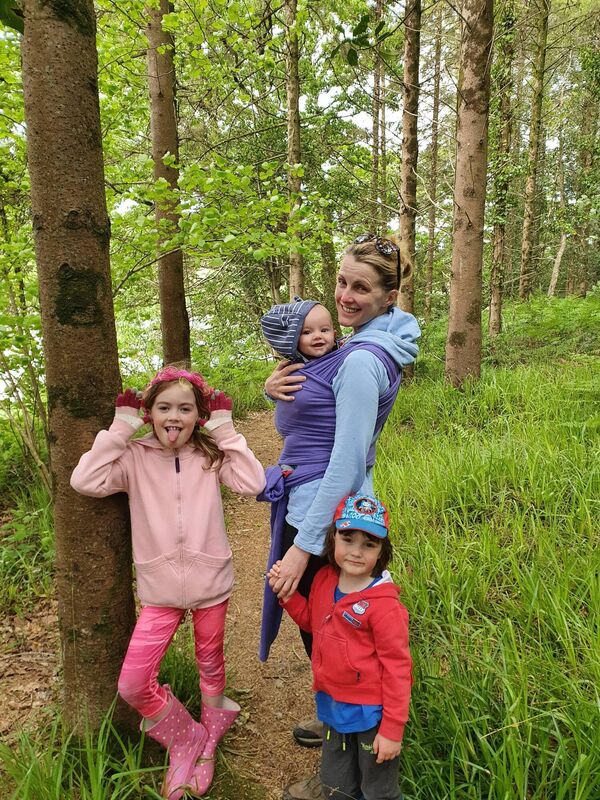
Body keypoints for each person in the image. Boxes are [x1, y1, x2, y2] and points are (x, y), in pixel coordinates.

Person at [258, 234, 420, 800]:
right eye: (343, 281)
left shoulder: (358, 363)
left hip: (332, 513)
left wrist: (304, 544)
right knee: (329, 626)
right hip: (339, 508)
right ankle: (337, 721)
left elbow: (345, 461)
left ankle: (351, 770)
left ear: (388, 295)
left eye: (362, 287)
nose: (346, 296)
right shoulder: (367, 346)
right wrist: (274, 387)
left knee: (337, 629)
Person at [70, 366, 265, 800]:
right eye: (163, 407)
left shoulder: (209, 455)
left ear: (199, 415)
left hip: (211, 580)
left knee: (210, 662)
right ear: (148, 413)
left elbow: (254, 483)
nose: (173, 416)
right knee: (133, 683)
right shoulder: (133, 457)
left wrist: (226, 430)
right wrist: (120, 429)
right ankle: (185, 738)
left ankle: (210, 739)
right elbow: (84, 480)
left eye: (185, 408)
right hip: (160, 591)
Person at [268, 493, 412, 800]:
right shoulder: (324, 579)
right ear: (332, 539)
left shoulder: (384, 606)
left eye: (369, 544)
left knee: (377, 790)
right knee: (336, 786)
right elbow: (312, 622)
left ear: (381, 551)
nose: (357, 552)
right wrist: (288, 595)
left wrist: (392, 730)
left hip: (371, 715)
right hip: (332, 707)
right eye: (348, 539)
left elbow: (398, 669)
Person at [260, 297, 337, 362]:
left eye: (324, 330)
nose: (317, 336)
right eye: (307, 332)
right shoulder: (292, 374)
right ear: (295, 341)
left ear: (334, 335)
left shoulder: (343, 353)